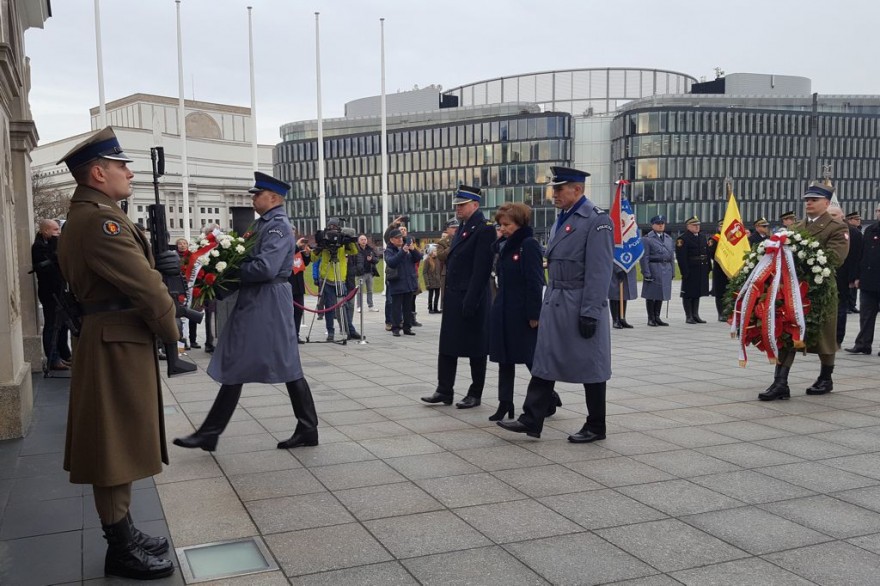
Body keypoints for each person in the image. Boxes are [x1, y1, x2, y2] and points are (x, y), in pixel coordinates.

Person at [56, 127, 180, 580]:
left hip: (114, 337)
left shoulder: (96, 213)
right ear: (97, 172)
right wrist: (172, 331)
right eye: (120, 165)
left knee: (120, 440)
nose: (128, 171)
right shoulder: (99, 220)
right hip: (114, 341)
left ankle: (123, 530)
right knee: (112, 445)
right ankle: (120, 547)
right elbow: (145, 285)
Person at [174, 171, 319, 451]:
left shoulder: (276, 226)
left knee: (282, 363)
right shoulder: (263, 224)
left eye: (257, 194)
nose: (253, 198)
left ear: (274, 198)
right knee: (249, 362)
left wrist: (228, 271)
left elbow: (265, 268)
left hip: (267, 299)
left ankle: (212, 432)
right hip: (259, 299)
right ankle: (212, 432)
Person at [497, 166, 613, 442]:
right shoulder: (562, 218)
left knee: (591, 366)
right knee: (544, 361)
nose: (554, 194)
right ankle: (531, 419)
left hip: (579, 302)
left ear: (578, 189)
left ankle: (596, 425)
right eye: (554, 189)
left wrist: (590, 312)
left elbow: (600, 271)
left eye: (559, 189)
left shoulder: (597, 221)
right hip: (557, 300)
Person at [759, 182, 849, 401]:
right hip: (793, 290)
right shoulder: (797, 228)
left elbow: (834, 258)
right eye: (807, 199)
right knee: (788, 332)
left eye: (814, 199)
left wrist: (802, 263)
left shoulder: (837, 228)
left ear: (826, 203)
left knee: (825, 337)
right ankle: (780, 383)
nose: (809, 203)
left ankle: (825, 378)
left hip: (820, 289)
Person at [421, 186, 494, 409]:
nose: (457, 208)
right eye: (456, 205)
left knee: (476, 348)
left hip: (472, 298)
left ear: (475, 205)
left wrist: (471, 301)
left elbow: (481, 270)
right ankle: (444, 390)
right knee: (448, 346)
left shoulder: (484, 229)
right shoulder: (462, 227)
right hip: (454, 297)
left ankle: (475, 392)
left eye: (461, 205)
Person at [487, 202, 547, 421]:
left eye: (507, 225)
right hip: (503, 307)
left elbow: (534, 281)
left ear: (520, 223)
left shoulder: (528, 244)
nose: (502, 228)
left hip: (522, 312)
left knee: (532, 360)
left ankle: (548, 398)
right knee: (504, 358)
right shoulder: (503, 245)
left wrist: (534, 314)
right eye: (500, 224)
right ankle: (505, 403)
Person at [31, 218, 72, 370]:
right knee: (52, 324)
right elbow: (51, 266)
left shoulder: (49, 244)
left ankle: (64, 353)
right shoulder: (39, 247)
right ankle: (53, 358)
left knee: (63, 323)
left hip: (60, 289)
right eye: (55, 230)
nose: (58, 233)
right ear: (45, 230)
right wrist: (56, 245)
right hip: (50, 292)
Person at [316, 218, 360, 341]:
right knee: (329, 307)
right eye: (330, 227)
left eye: (335, 227)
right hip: (327, 278)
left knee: (344, 306)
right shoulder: (324, 240)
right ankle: (330, 332)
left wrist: (348, 240)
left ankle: (349, 330)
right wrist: (320, 247)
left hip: (340, 278)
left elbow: (354, 251)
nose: (332, 230)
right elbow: (314, 258)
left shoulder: (341, 242)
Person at [846, 204, 880, 356]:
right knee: (866, 315)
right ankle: (863, 344)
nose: (879, 213)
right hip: (868, 280)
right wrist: (857, 277)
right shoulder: (870, 229)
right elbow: (862, 255)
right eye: (878, 210)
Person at [675, 216, 713, 324]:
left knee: (697, 292)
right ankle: (689, 316)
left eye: (698, 225)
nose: (697, 227)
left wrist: (708, 267)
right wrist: (684, 271)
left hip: (701, 268)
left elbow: (706, 253)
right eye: (694, 225)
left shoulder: (701, 237)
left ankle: (695, 314)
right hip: (691, 269)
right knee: (688, 293)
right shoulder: (683, 239)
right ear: (688, 226)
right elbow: (681, 257)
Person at [384, 228, 422, 336]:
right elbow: (392, 262)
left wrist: (413, 249)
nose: (400, 239)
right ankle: (395, 328)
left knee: (407, 307)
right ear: (391, 240)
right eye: (397, 238)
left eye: (401, 237)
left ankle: (407, 327)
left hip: (409, 281)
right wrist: (403, 251)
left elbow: (418, 258)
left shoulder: (407, 247)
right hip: (397, 282)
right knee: (396, 307)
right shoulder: (389, 250)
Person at [639, 216, 674, 327]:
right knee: (651, 294)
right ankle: (651, 318)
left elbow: (671, 256)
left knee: (662, 293)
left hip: (666, 268)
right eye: (658, 223)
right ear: (652, 225)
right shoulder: (647, 239)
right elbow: (644, 257)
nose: (660, 225)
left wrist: (672, 270)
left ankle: (657, 317)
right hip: (654, 268)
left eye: (662, 223)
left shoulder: (668, 238)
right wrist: (646, 272)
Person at [288, 233, 312, 344]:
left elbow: (303, 263)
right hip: (288, 283)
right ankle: (288, 336)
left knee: (298, 310)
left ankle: (295, 334)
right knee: (287, 312)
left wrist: (306, 254)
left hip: (298, 283)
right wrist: (297, 246)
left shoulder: (296, 247)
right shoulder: (287, 245)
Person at [434, 218, 458, 313]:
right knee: (447, 297)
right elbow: (441, 256)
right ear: (447, 229)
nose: (455, 229)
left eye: (457, 227)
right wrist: (452, 246)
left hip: (461, 271)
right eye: (453, 227)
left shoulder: (463, 238)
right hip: (448, 272)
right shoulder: (443, 242)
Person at [710, 219, 730, 321]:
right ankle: (721, 313)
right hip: (719, 268)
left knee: (729, 291)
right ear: (719, 227)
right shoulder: (714, 239)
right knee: (720, 292)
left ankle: (728, 312)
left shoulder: (730, 238)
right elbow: (711, 253)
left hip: (730, 268)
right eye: (722, 226)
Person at [355, 234, 379, 312]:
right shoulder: (356, 250)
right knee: (359, 291)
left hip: (370, 273)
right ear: (359, 241)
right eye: (362, 239)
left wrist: (371, 259)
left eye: (365, 239)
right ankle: (359, 306)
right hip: (360, 273)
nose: (363, 241)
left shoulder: (370, 249)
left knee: (370, 290)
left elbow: (377, 260)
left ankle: (370, 306)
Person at [846, 211, 864, 313]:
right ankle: (849, 305)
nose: (859, 221)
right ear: (850, 220)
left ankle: (852, 305)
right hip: (850, 259)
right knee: (849, 283)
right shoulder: (849, 230)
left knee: (854, 283)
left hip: (857, 260)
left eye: (859, 219)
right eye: (856, 219)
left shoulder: (858, 230)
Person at [609, 264, 637, 329]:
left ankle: (622, 318)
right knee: (614, 294)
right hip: (614, 270)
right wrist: (618, 269)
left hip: (627, 268)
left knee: (624, 293)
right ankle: (615, 320)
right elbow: (611, 256)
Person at [423, 246, 443, 314]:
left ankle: (435, 308)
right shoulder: (427, 260)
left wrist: (439, 279)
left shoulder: (438, 260)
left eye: (435, 251)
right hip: (430, 281)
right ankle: (430, 308)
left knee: (437, 295)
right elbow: (424, 272)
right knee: (431, 295)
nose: (435, 253)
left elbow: (439, 270)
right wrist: (427, 283)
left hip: (437, 281)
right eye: (434, 251)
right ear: (430, 252)